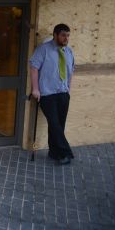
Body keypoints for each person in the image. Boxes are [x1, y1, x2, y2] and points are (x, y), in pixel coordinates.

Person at [29, 23, 75, 165]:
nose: (66, 38)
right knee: (55, 124)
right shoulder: (43, 50)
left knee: (59, 125)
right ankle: (66, 153)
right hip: (47, 94)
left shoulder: (69, 52)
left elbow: (71, 71)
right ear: (55, 35)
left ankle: (54, 152)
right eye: (63, 35)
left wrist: (68, 89)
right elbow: (34, 68)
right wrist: (35, 89)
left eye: (67, 35)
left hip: (62, 93)